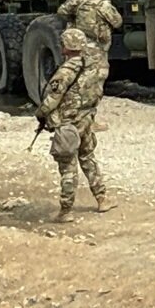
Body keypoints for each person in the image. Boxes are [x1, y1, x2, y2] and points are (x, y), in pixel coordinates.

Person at [35, 27, 115, 222]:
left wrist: (41, 114)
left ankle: (66, 210)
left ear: (66, 47)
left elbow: (53, 98)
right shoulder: (92, 67)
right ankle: (102, 199)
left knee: (68, 166)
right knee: (88, 158)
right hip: (86, 119)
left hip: (68, 124)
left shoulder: (66, 71)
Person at [57, 0, 122, 85]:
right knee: (97, 75)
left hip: (80, 43)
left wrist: (74, 19)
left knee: (79, 71)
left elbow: (62, 11)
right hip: (98, 46)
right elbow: (117, 22)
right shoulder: (104, 5)